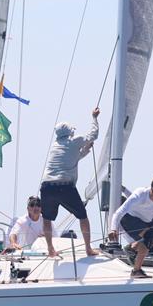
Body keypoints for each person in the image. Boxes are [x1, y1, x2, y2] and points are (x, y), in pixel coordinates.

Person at [40, 107, 100, 257]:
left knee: (47, 219)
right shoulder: (74, 140)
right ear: (70, 132)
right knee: (83, 217)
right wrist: (94, 118)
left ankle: (50, 249)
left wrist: (85, 150)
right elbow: (93, 135)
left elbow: (72, 159)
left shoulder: (56, 146)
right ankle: (88, 249)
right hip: (64, 187)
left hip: (47, 186)